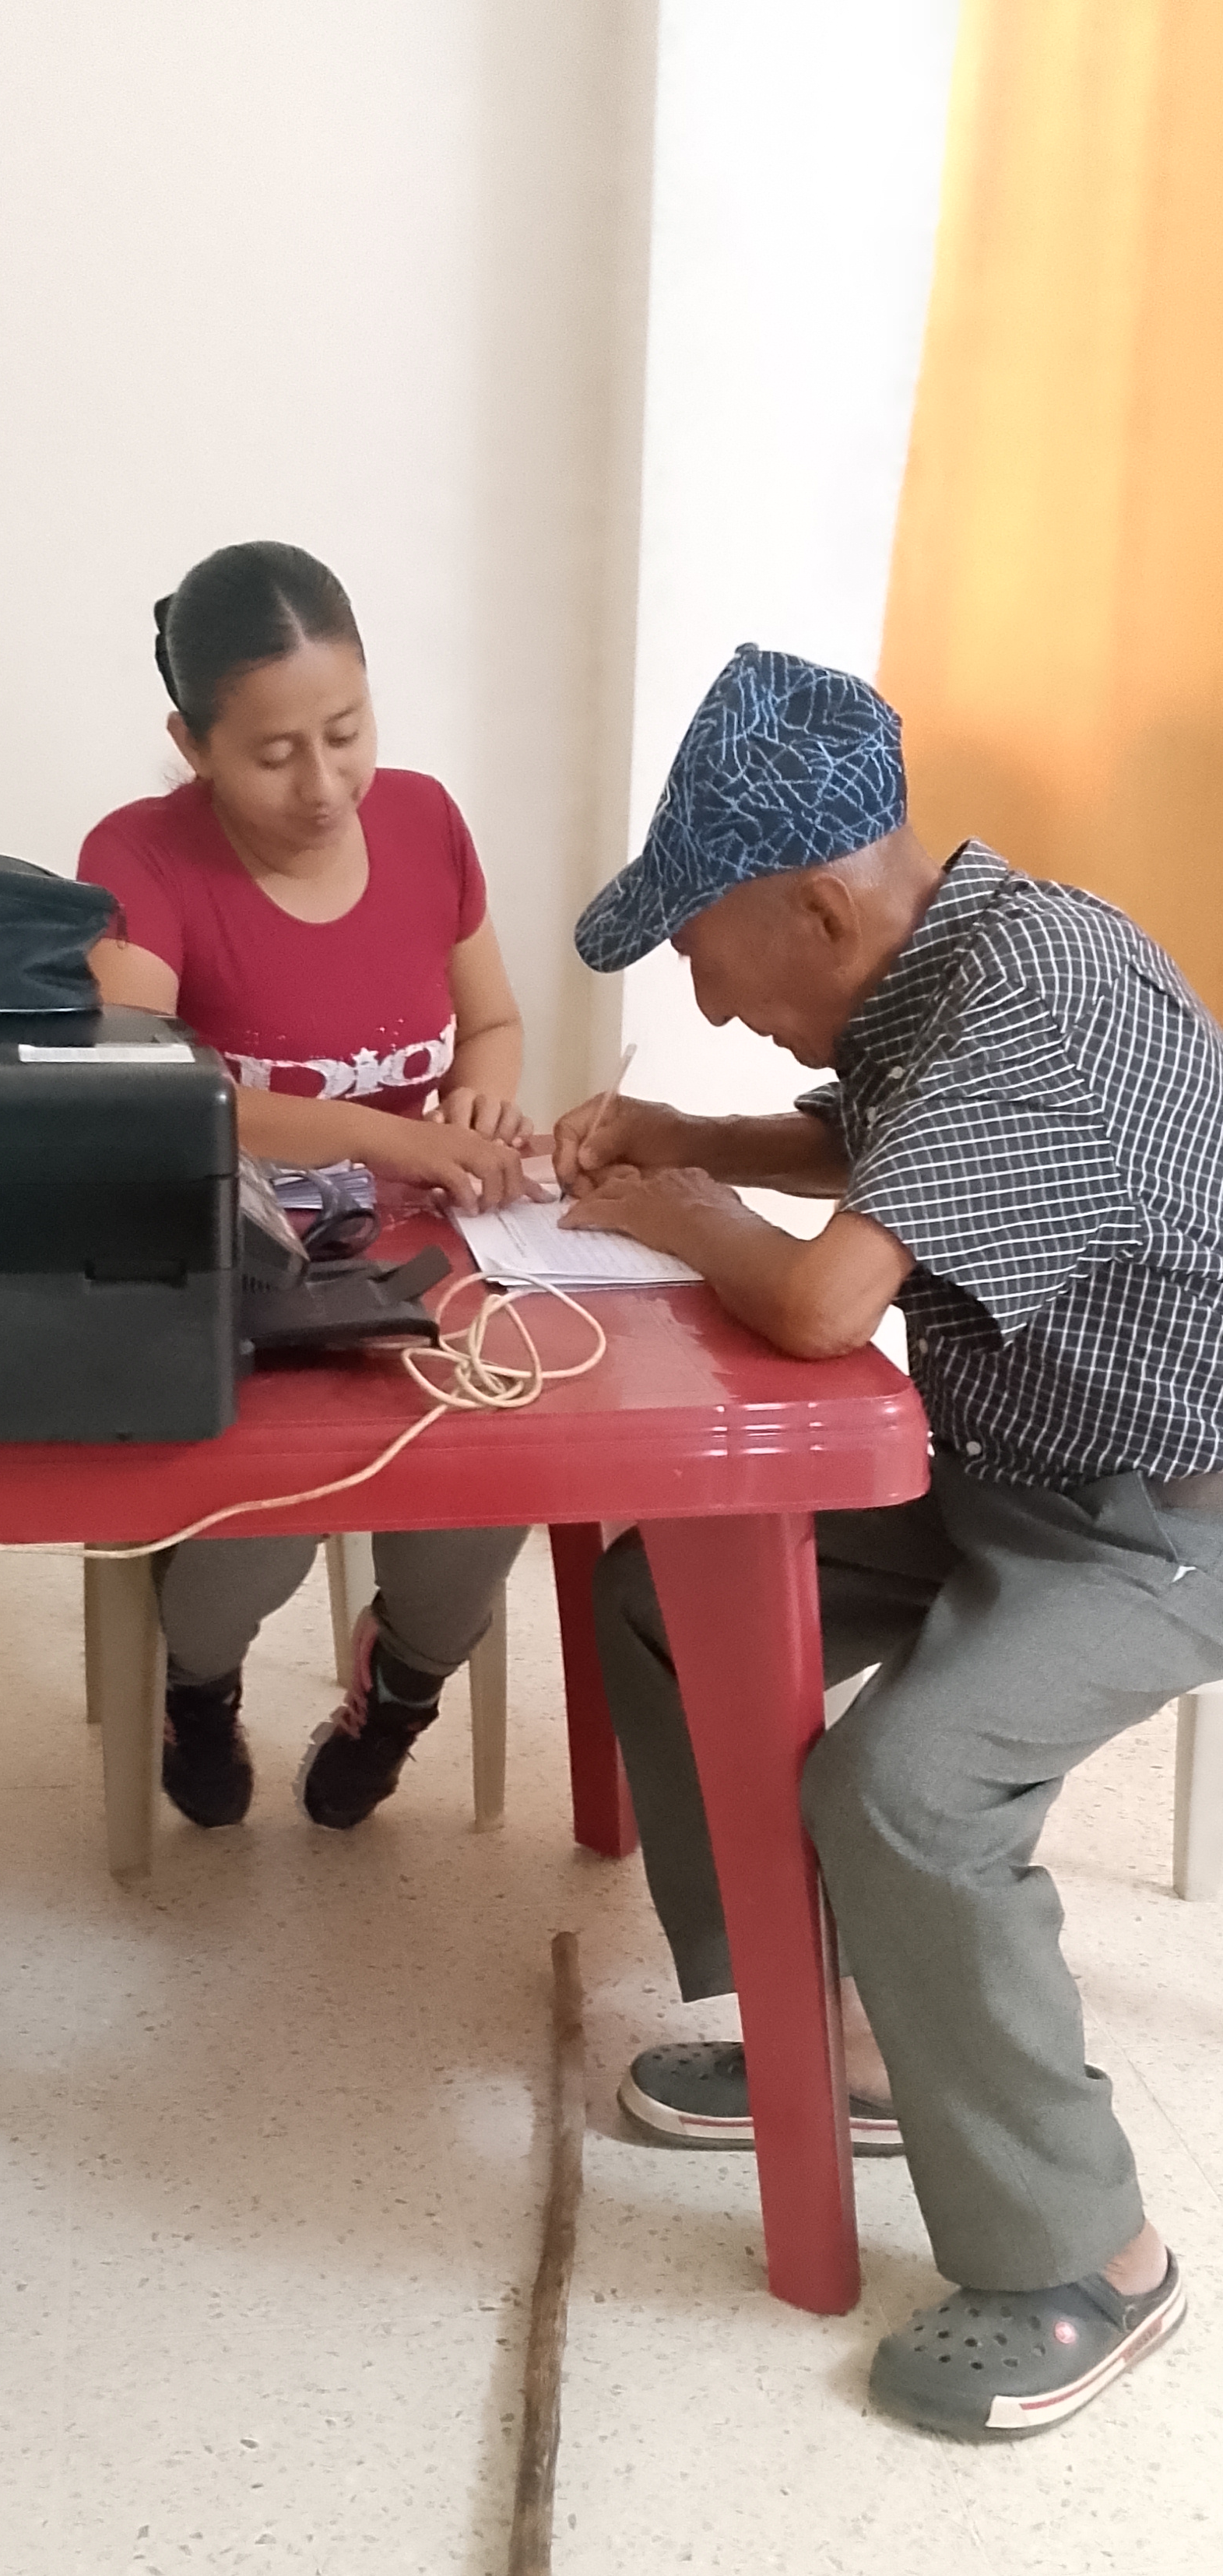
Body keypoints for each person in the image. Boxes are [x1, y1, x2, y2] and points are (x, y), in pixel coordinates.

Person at [551, 641, 1223, 2442]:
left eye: (704, 948)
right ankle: (834, 2042)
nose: (705, 990)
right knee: (664, 1597)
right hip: (1016, 1460)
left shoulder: (1038, 998)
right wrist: (692, 1137)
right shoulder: (946, 962)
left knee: (907, 1790)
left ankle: (1093, 2260)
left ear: (821, 908)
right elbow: (879, 1147)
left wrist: (687, 1210)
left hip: (1163, 1511)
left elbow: (824, 1302)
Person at [81, 540, 530, 1833]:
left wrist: (477, 1098)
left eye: (346, 733)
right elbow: (144, 1094)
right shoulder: (140, 858)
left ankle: (400, 1691)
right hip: (238, 1265)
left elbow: (492, 1024)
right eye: (276, 754)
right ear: (192, 745)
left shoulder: (428, 823)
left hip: (424, 1255)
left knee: (486, 1488)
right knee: (263, 1530)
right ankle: (197, 1685)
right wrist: (383, 1136)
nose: (326, 786)